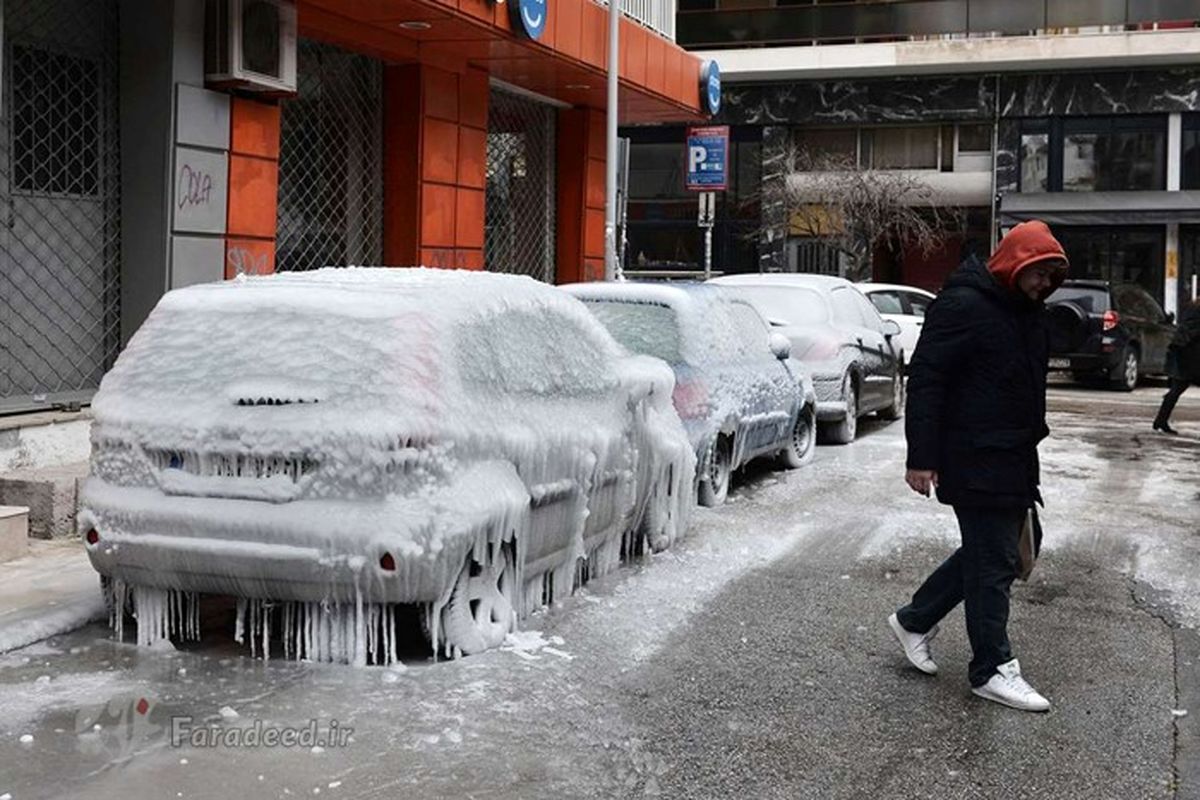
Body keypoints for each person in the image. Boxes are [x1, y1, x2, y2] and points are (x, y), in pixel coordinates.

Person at [887, 220, 1068, 713]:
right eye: (1039, 273)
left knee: (995, 554)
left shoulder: (1025, 310)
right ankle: (991, 669)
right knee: (993, 565)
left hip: (1013, 456)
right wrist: (920, 457)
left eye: (1053, 276)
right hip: (972, 457)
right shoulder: (963, 304)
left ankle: (914, 619)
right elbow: (927, 379)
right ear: (1015, 262)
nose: (1045, 284)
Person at [1152, 298, 1200, 435]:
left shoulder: (1192, 307)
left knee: (1177, 388)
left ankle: (1161, 420)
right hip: (1191, 355)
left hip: (1186, 354)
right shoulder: (1196, 310)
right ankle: (1161, 420)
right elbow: (1191, 331)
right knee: (1177, 388)